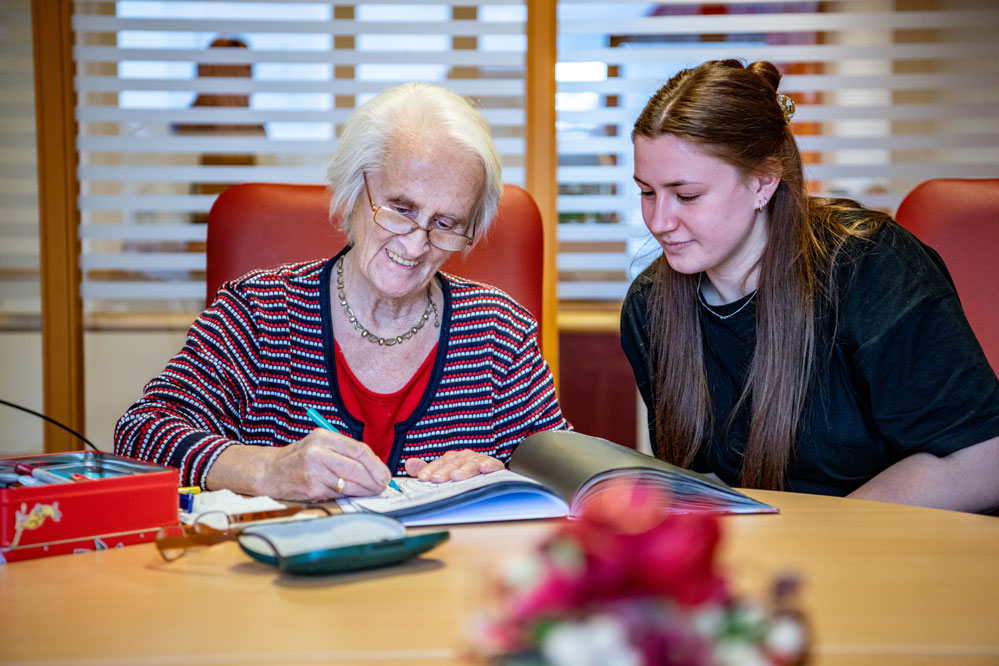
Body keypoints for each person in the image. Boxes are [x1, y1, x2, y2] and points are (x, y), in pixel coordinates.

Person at [115, 82, 569, 501]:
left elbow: (571, 472)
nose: (416, 245)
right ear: (354, 190)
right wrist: (267, 470)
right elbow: (140, 433)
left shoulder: (499, 332)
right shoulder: (259, 312)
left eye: (446, 223)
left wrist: (502, 474)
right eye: (400, 209)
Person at [620, 59, 999, 513]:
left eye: (687, 196)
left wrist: (823, 537)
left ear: (763, 182)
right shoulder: (650, 306)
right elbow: (702, 479)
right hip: (766, 547)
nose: (659, 221)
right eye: (647, 192)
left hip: (891, 539)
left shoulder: (870, 265)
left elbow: (983, 457)